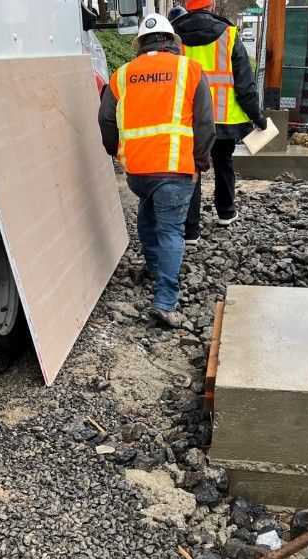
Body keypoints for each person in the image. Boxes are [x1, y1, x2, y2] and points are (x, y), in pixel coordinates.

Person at [99, 13, 216, 328]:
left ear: (139, 44)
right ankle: (165, 301)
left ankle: (153, 266)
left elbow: (106, 119)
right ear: (172, 42)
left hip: (138, 172)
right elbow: (205, 121)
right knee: (171, 230)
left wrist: (114, 151)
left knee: (147, 214)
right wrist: (200, 162)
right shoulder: (189, 70)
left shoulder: (122, 75)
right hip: (175, 170)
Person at [171, 0, 267, 243]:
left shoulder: (174, 37)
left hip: (188, 119)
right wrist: (257, 117)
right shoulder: (229, 35)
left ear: (188, 6)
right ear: (212, 7)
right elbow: (244, 86)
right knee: (223, 163)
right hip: (223, 119)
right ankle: (226, 212)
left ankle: (190, 230)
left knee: (192, 169)